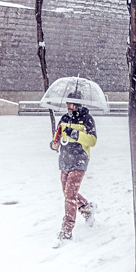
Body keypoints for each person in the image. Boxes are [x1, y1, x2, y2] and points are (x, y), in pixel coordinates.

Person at [49, 94, 97, 244]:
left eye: (72, 104)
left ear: (78, 105)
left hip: (80, 159)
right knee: (68, 192)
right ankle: (86, 208)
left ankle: (67, 230)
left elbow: (93, 140)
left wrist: (75, 134)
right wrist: (53, 144)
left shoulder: (87, 119)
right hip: (65, 159)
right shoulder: (64, 118)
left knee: (70, 194)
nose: (69, 107)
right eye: (67, 104)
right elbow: (57, 135)